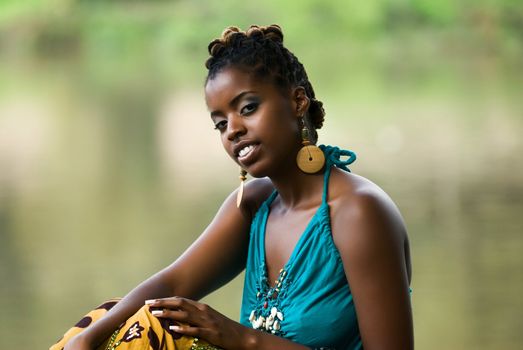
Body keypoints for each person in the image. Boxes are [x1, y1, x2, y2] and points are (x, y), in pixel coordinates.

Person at [52, 24, 413, 350]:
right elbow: (173, 282)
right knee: (115, 319)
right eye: (220, 123)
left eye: (248, 108)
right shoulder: (254, 205)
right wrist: (86, 338)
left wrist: (244, 339)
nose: (233, 130)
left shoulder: (358, 212)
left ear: (297, 101)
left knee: (151, 332)